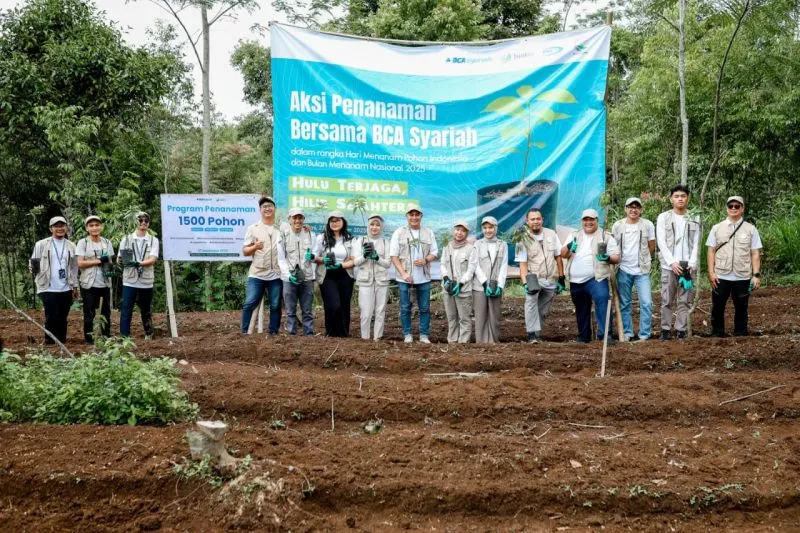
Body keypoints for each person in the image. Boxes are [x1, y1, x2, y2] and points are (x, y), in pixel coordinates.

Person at [706, 196, 762, 337]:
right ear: (727, 208)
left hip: (742, 275)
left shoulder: (751, 229)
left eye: (737, 206)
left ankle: (741, 334)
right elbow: (711, 251)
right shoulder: (717, 228)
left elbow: (755, 253)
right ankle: (717, 333)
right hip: (721, 274)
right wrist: (711, 272)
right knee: (717, 307)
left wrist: (756, 275)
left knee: (742, 307)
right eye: (730, 206)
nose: (733, 208)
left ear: (742, 209)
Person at [561, 209, 620, 343]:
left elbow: (617, 257)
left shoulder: (605, 236)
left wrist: (607, 258)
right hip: (575, 280)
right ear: (582, 221)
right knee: (581, 307)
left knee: (602, 300)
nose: (588, 222)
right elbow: (563, 254)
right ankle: (583, 336)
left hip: (596, 278)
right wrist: (569, 247)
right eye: (585, 220)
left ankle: (605, 335)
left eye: (591, 219)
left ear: (597, 220)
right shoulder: (574, 235)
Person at [656, 185, 701, 340]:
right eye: (676, 196)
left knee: (684, 299)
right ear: (671, 199)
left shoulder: (695, 217)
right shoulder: (664, 217)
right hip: (669, 267)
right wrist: (671, 262)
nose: (680, 199)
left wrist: (692, 263)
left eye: (683, 196)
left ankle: (681, 329)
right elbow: (661, 241)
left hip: (688, 266)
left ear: (688, 198)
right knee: (666, 299)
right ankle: (665, 329)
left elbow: (697, 242)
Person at [390, 205, 439, 343]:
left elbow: (434, 252)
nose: (414, 217)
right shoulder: (399, 233)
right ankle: (407, 335)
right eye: (411, 215)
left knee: (425, 308)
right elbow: (393, 256)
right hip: (405, 279)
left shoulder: (428, 232)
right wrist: (404, 274)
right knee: (405, 308)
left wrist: (426, 260)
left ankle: (424, 335)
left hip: (424, 278)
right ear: (407, 216)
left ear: (421, 216)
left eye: (417, 215)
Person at [516, 208, 565, 343]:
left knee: (543, 310)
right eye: (532, 219)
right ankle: (532, 335)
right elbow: (523, 264)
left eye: (538, 219)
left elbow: (558, 256)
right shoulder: (522, 238)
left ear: (542, 220)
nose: (535, 221)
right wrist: (525, 283)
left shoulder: (551, 234)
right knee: (531, 304)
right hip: (534, 278)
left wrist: (561, 278)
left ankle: (537, 334)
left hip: (550, 279)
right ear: (527, 221)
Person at [611, 198, 656, 341]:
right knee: (625, 303)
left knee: (646, 303)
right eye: (630, 207)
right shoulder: (618, 226)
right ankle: (627, 333)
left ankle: (644, 334)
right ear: (625, 209)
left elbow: (652, 245)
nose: (633, 209)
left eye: (637, 207)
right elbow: (613, 246)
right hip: (623, 270)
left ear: (641, 210)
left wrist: (644, 259)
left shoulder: (647, 225)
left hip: (642, 271)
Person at [30, 216, 78, 344]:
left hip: (66, 286)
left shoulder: (71, 246)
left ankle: (62, 342)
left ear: (66, 227)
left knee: (63, 316)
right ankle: (50, 342)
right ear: (51, 228)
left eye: (62, 226)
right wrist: (36, 274)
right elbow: (33, 263)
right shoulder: (41, 244)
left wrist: (75, 286)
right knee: (51, 316)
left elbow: (74, 267)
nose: (60, 228)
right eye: (56, 226)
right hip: (47, 286)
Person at [241, 196, 283, 335]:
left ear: (274, 209)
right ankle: (245, 332)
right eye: (264, 206)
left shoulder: (282, 227)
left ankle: (273, 332)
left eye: (270, 206)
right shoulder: (253, 228)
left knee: (275, 305)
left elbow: (296, 231)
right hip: (257, 274)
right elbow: (245, 251)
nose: (267, 209)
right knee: (250, 303)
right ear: (260, 210)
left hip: (276, 274)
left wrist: (305, 229)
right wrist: (255, 247)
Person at [313, 211, 356, 337]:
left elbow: (354, 258)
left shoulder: (350, 238)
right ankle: (331, 332)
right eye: (332, 221)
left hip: (345, 273)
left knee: (344, 304)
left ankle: (343, 333)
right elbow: (314, 256)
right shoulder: (322, 238)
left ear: (343, 222)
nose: (335, 223)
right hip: (327, 274)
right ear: (328, 223)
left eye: (337, 220)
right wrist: (323, 259)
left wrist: (344, 263)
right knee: (333, 304)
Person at [119, 211, 159, 339]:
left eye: (146, 221)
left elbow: (152, 259)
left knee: (146, 310)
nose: (143, 223)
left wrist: (138, 263)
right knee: (126, 309)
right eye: (140, 220)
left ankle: (149, 334)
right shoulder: (126, 239)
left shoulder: (153, 240)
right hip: (129, 280)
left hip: (146, 281)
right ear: (135, 222)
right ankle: (124, 337)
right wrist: (123, 261)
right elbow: (122, 260)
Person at [76, 215, 115, 344]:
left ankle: (106, 338)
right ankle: (89, 340)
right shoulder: (83, 243)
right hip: (89, 283)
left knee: (106, 313)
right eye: (91, 225)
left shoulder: (107, 242)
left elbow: (111, 260)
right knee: (89, 313)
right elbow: (80, 263)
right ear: (87, 228)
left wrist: (110, 265)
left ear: (101, 227)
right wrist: (98, 261)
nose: (94, 228)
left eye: (97, 225)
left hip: (105, 283)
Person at [277, 207, 315, 336]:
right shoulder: (283, 235)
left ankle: (309, 334)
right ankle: (292, 335)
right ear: (289, 219)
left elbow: (315, 252)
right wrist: (288, 275)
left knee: (307, 309)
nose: (297, 220)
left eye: (300, 218)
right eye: (294, 218)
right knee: (290, 310)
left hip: (307, 277)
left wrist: (313, 256)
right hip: (289, 278)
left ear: (304, 219)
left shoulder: (310, 234)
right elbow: (281, 258)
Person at [354, 214, 391, 341]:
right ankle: (365, 338)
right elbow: (356, 262)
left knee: (380, 311)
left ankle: (377, 338)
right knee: (366, 312)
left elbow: (388, 263)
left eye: (377, 225)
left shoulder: (386, 242)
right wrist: (364, 256)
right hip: (365, 281)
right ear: (368, 226)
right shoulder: (360, 241)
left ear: (381, 227)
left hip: (382, 281)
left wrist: (377, 258)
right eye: (372, 224)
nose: (374, 227)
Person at [473, 216, 508, 344]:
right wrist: (484, 283)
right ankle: (481, 343)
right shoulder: (477, 244)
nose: (488, 230)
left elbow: (503, 266)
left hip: (495, 285)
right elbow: (475, 265)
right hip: (480, 286)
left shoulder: (502, 245)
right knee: (480, 315)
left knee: (494, 315)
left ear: (496, 228)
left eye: (491, 227)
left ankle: (493, 342)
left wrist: (500, 285)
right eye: (485, 228)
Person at [440, 221, 477, 344]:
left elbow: (471, 269)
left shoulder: (471, 249)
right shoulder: (447, 246)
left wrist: (460, 284)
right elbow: (443, 264)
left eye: (463, 231)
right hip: (448, 288)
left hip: (463, 289)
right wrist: (446, 278)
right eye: (457, 230)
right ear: (453, 231)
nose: (459, 233)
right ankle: (452, 341)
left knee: (464, 318)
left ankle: (463, 343)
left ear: (466, 233)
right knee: (451, 317)